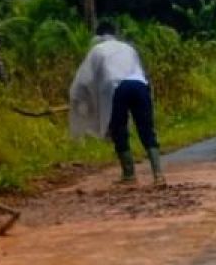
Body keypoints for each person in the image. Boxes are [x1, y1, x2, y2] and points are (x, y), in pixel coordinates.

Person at [69, 24, 165, 185]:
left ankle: (129, 174)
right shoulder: (128, 48)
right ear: (115, 34)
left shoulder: (97, 50)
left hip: (117, 89)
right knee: (146, 129)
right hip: (140, 86)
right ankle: (158, 175)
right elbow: (139, 70)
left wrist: (78, 98)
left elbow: (84, 80)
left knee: (119, 129)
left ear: (98, 36)